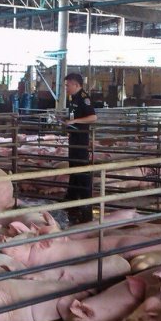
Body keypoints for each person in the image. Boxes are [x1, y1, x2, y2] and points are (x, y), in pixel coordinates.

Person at [62, 73, 97, 225]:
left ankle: (86, 207)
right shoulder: (73, 98)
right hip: (74, 139)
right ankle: (72, 202)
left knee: (82, 172)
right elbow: (74, 117)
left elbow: (93, 117)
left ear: (76, 84)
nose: (66, 88)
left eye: (68, 85)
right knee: (74, 169)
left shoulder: (84, 98)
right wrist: (68, 124)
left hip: (81, 140)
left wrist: (75, 121)